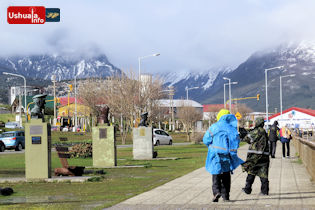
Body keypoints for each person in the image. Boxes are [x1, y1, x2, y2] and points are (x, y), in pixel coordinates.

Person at [203, 109, 244, 202]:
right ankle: (226, 196)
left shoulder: (214, 127)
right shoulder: (232, 128)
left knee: (216, 173)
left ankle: (216, 192)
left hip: (215, 154)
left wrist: (211, 145)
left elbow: (206, 140)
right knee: (226, 174)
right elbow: (236, 141)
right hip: (227, 156)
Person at [241, 117, 270, 195]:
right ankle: (264, 191)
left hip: (255, 155)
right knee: (263, 173)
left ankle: (247, 188)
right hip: (265, 155)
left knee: (251, 171)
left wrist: (244, 133)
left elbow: (247, 139)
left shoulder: (255, 131)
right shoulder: (264, 131)